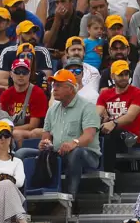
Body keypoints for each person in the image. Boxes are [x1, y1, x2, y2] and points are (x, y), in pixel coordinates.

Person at [39, 69, 101, 202]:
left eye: (58, 85)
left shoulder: (87, 107)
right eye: (53, 85)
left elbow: (89, 136)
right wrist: (45, 143)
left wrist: (74, 143)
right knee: (23, 153)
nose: (54, 89)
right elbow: (46, 136)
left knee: (76, 153)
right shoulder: (52, 110)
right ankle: (32, 201)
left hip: (88, 155)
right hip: (58, 153)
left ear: (71, 89)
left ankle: (70, 200)